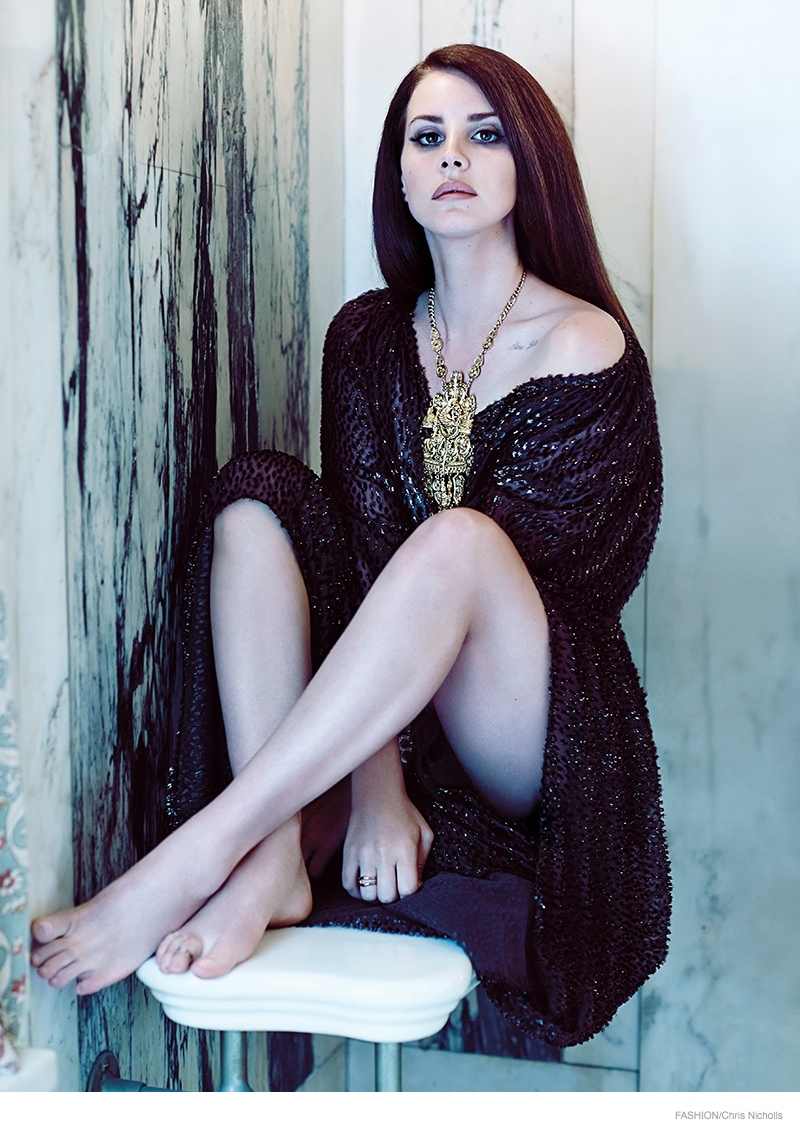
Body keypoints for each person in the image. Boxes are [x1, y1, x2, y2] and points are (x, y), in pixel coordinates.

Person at [30, 44, 671, 1048]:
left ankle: (198, 854)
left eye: (483, 134)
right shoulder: (368, 338)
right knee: (257, 499)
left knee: (461, 543)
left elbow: (538, 582)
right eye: (426, 137)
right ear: (399, 176)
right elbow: (369, 559)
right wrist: (375, 788)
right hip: (388, 698)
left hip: (531, 720)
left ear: (528, 163)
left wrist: (393, 779)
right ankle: (273, 852)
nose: (452, 156)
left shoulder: (581, 342)